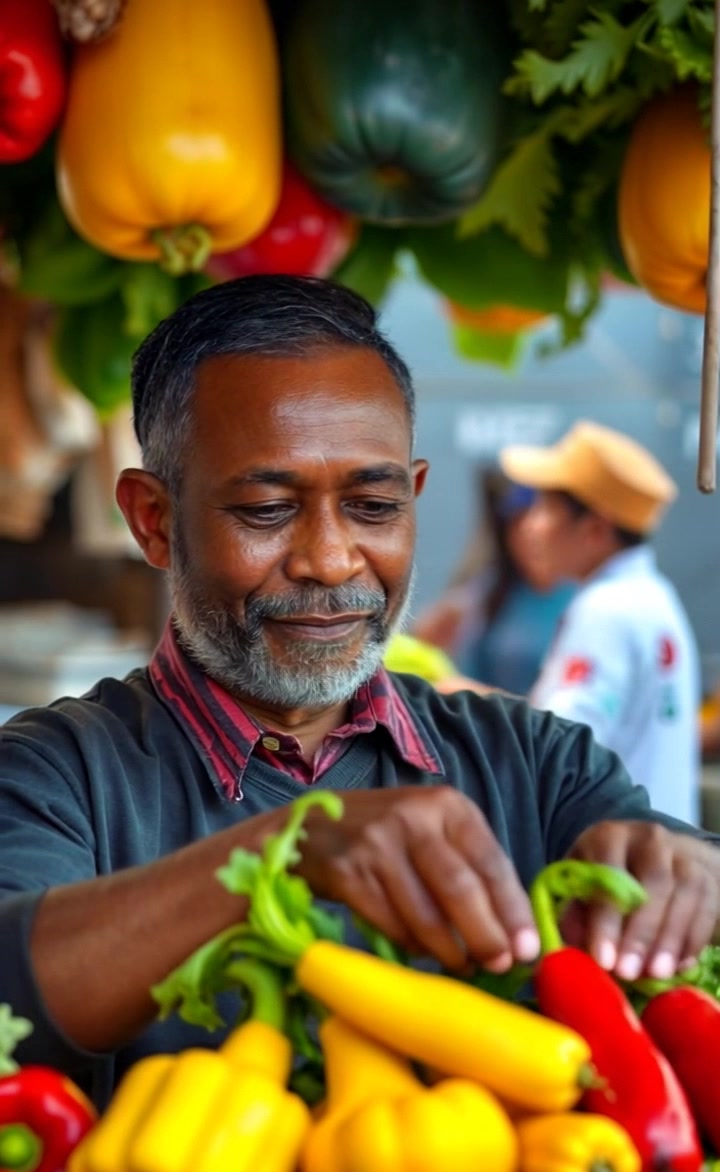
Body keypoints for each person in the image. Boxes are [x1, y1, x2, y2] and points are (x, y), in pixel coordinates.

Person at [0, 278, 717, 1112]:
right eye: (267, 510)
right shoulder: (54, 775)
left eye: (373, 507)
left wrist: (687, 875)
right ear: (154, 520)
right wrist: (282, 851)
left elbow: (673, 881)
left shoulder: (536, 764)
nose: (332, 560)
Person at [500, 421, 701, 824]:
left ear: (594, 529)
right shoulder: (653, 596)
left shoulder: (606, 609)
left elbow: (560, 747)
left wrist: (467, 706)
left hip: (616, 854)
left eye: (545, 508)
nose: (531, 525)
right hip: (656, 848)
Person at [413, 469, 575, 695]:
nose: (530, 532)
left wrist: (486, 699)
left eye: (542, 517)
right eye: (516, 522)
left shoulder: (590, 599)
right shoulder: (484, 592)